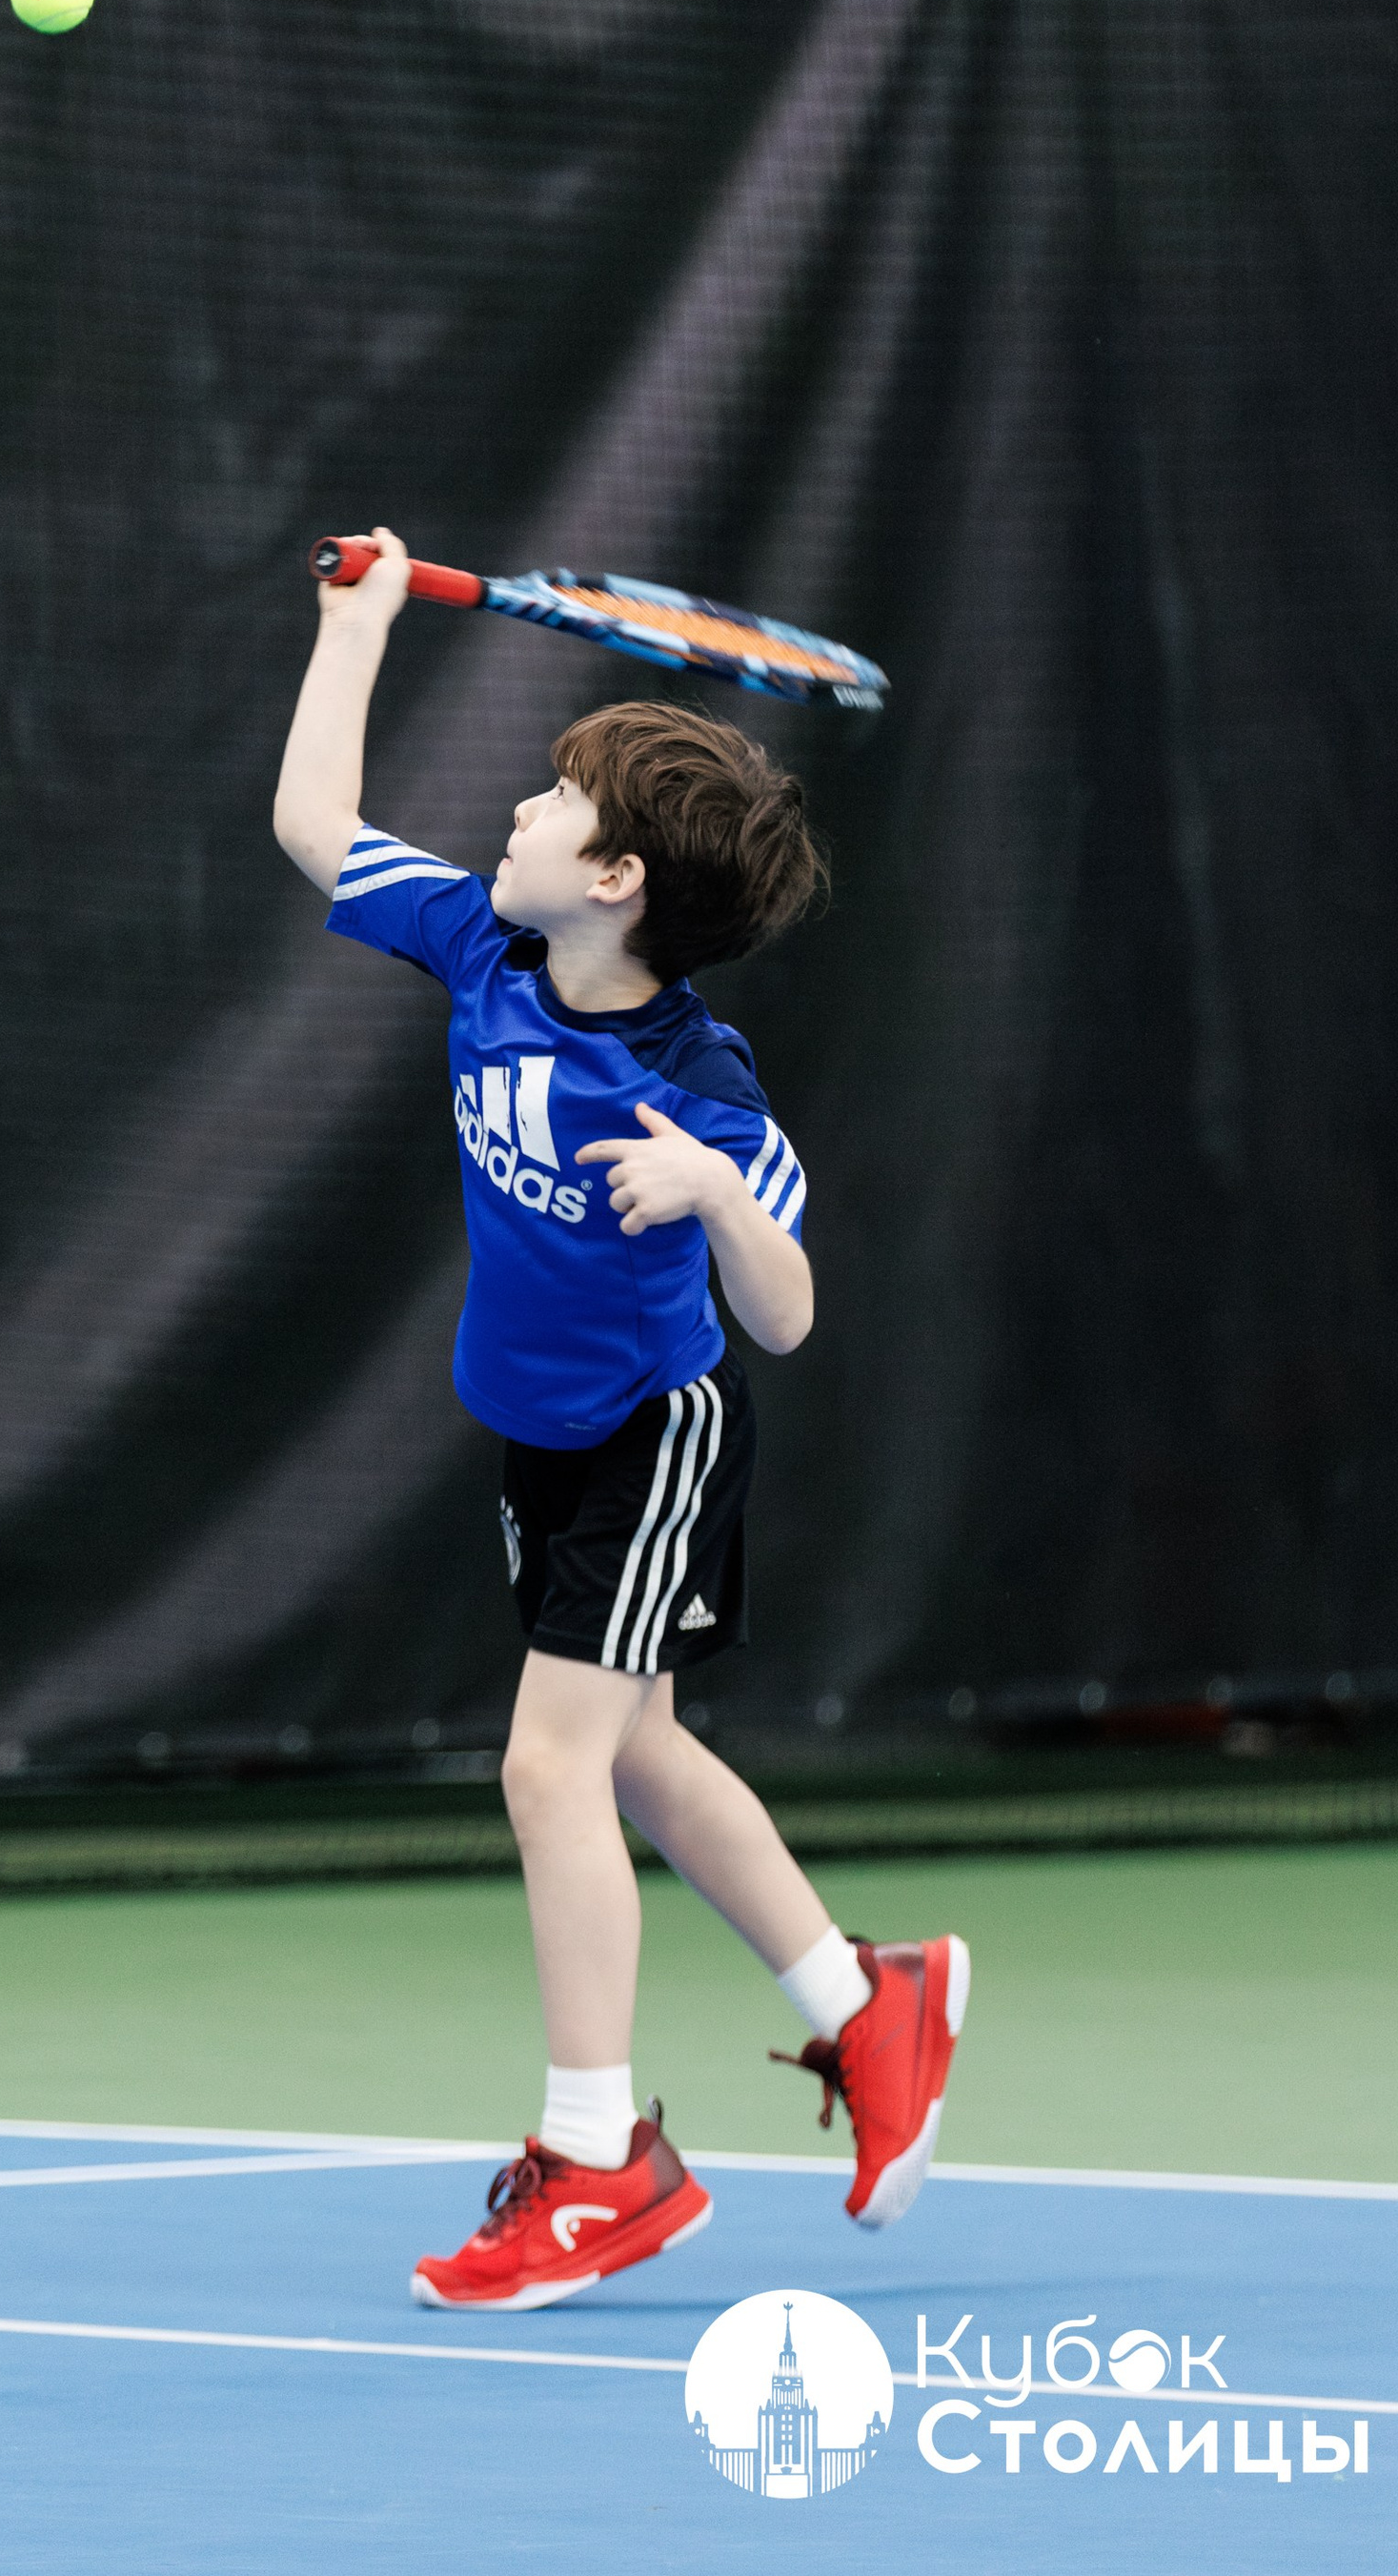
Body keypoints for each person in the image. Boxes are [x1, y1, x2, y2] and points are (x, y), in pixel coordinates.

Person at [273, 526, 967, 2310]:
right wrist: (356, 628)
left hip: (657, 1437)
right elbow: (314, 830)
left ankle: (601, 2162)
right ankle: (864, 2002)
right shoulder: (486, 950)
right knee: (639, 1752)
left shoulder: (699, 1086)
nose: (514, 806)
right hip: (540, 1427)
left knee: (548, 1763)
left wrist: (712, 1196)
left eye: (556, 799)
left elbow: (793, 1313)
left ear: (623, 882)